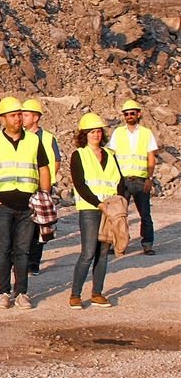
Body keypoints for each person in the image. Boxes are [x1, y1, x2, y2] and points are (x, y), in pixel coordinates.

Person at [0, 97, 52, 310]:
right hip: (1, 205)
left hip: (28, 206)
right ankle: (3, 293)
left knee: (23, 250)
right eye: (12, 115)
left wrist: (44, 195)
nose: (17, 118)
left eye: (19, 114)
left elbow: (43, 168)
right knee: (3, 249)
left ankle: (22, 293)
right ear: (3, 118)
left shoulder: (33, 140)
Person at [69, 113, 126, 309]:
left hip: (109, 210)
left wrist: (117, 202)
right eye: (92, 131)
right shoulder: (79, 155)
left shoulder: (110, 155)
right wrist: (98, 204)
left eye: (98, 131)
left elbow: (120, 181)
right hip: (90, 210)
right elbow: (80, 185)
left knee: (103, 254)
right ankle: (75, 295)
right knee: (88, 253)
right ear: (84, 134)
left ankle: (97, 294)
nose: (96, 134)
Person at [109, 99, 158, 255]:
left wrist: (150, 178)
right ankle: (119, 244)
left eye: (132, 113)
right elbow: (112, 156)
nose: (129, 116)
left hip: (140, 181)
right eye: (126, 114)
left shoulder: (146, 133)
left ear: (138, 114)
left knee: (145, 214)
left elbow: (151, 157)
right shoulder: (118, 133)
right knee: (119, 215)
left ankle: (147, 244)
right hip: (122, 181)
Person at [21, 99, 61, 274]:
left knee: (40, 226)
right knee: (19, 225)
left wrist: (46, 182)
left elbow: (56, 161)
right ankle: (13, 261)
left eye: (26, 115)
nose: (22, 118)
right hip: (24, 185)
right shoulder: (20, 136)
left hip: (41, 188)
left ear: (36, 117)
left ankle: (33, 263)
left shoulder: (48, 138)